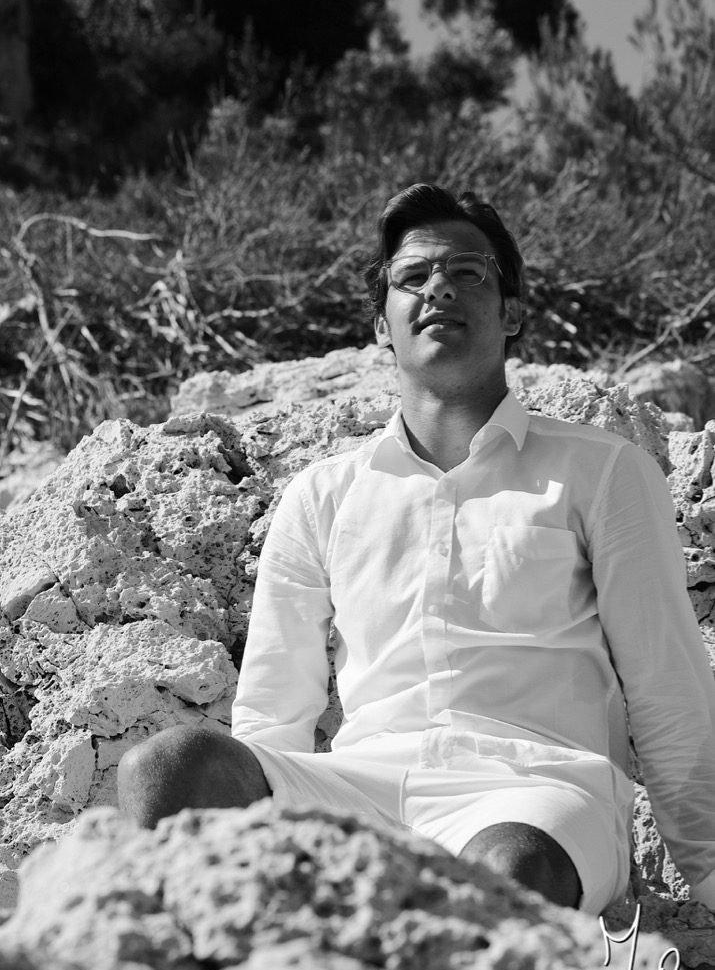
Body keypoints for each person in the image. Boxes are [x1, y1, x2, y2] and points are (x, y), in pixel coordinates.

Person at [118, 182, 715, 916]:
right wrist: (265, 830)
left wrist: (708, 872)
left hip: (538, 792)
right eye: (413, 277)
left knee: (508, 868)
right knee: (168, 766)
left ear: (512, 312)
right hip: (356, 787)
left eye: (467, 271)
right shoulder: (323, 495)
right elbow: (274, 711)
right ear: (382, 324)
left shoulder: (604, 472)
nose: (438, 288)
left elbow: (666, 685)